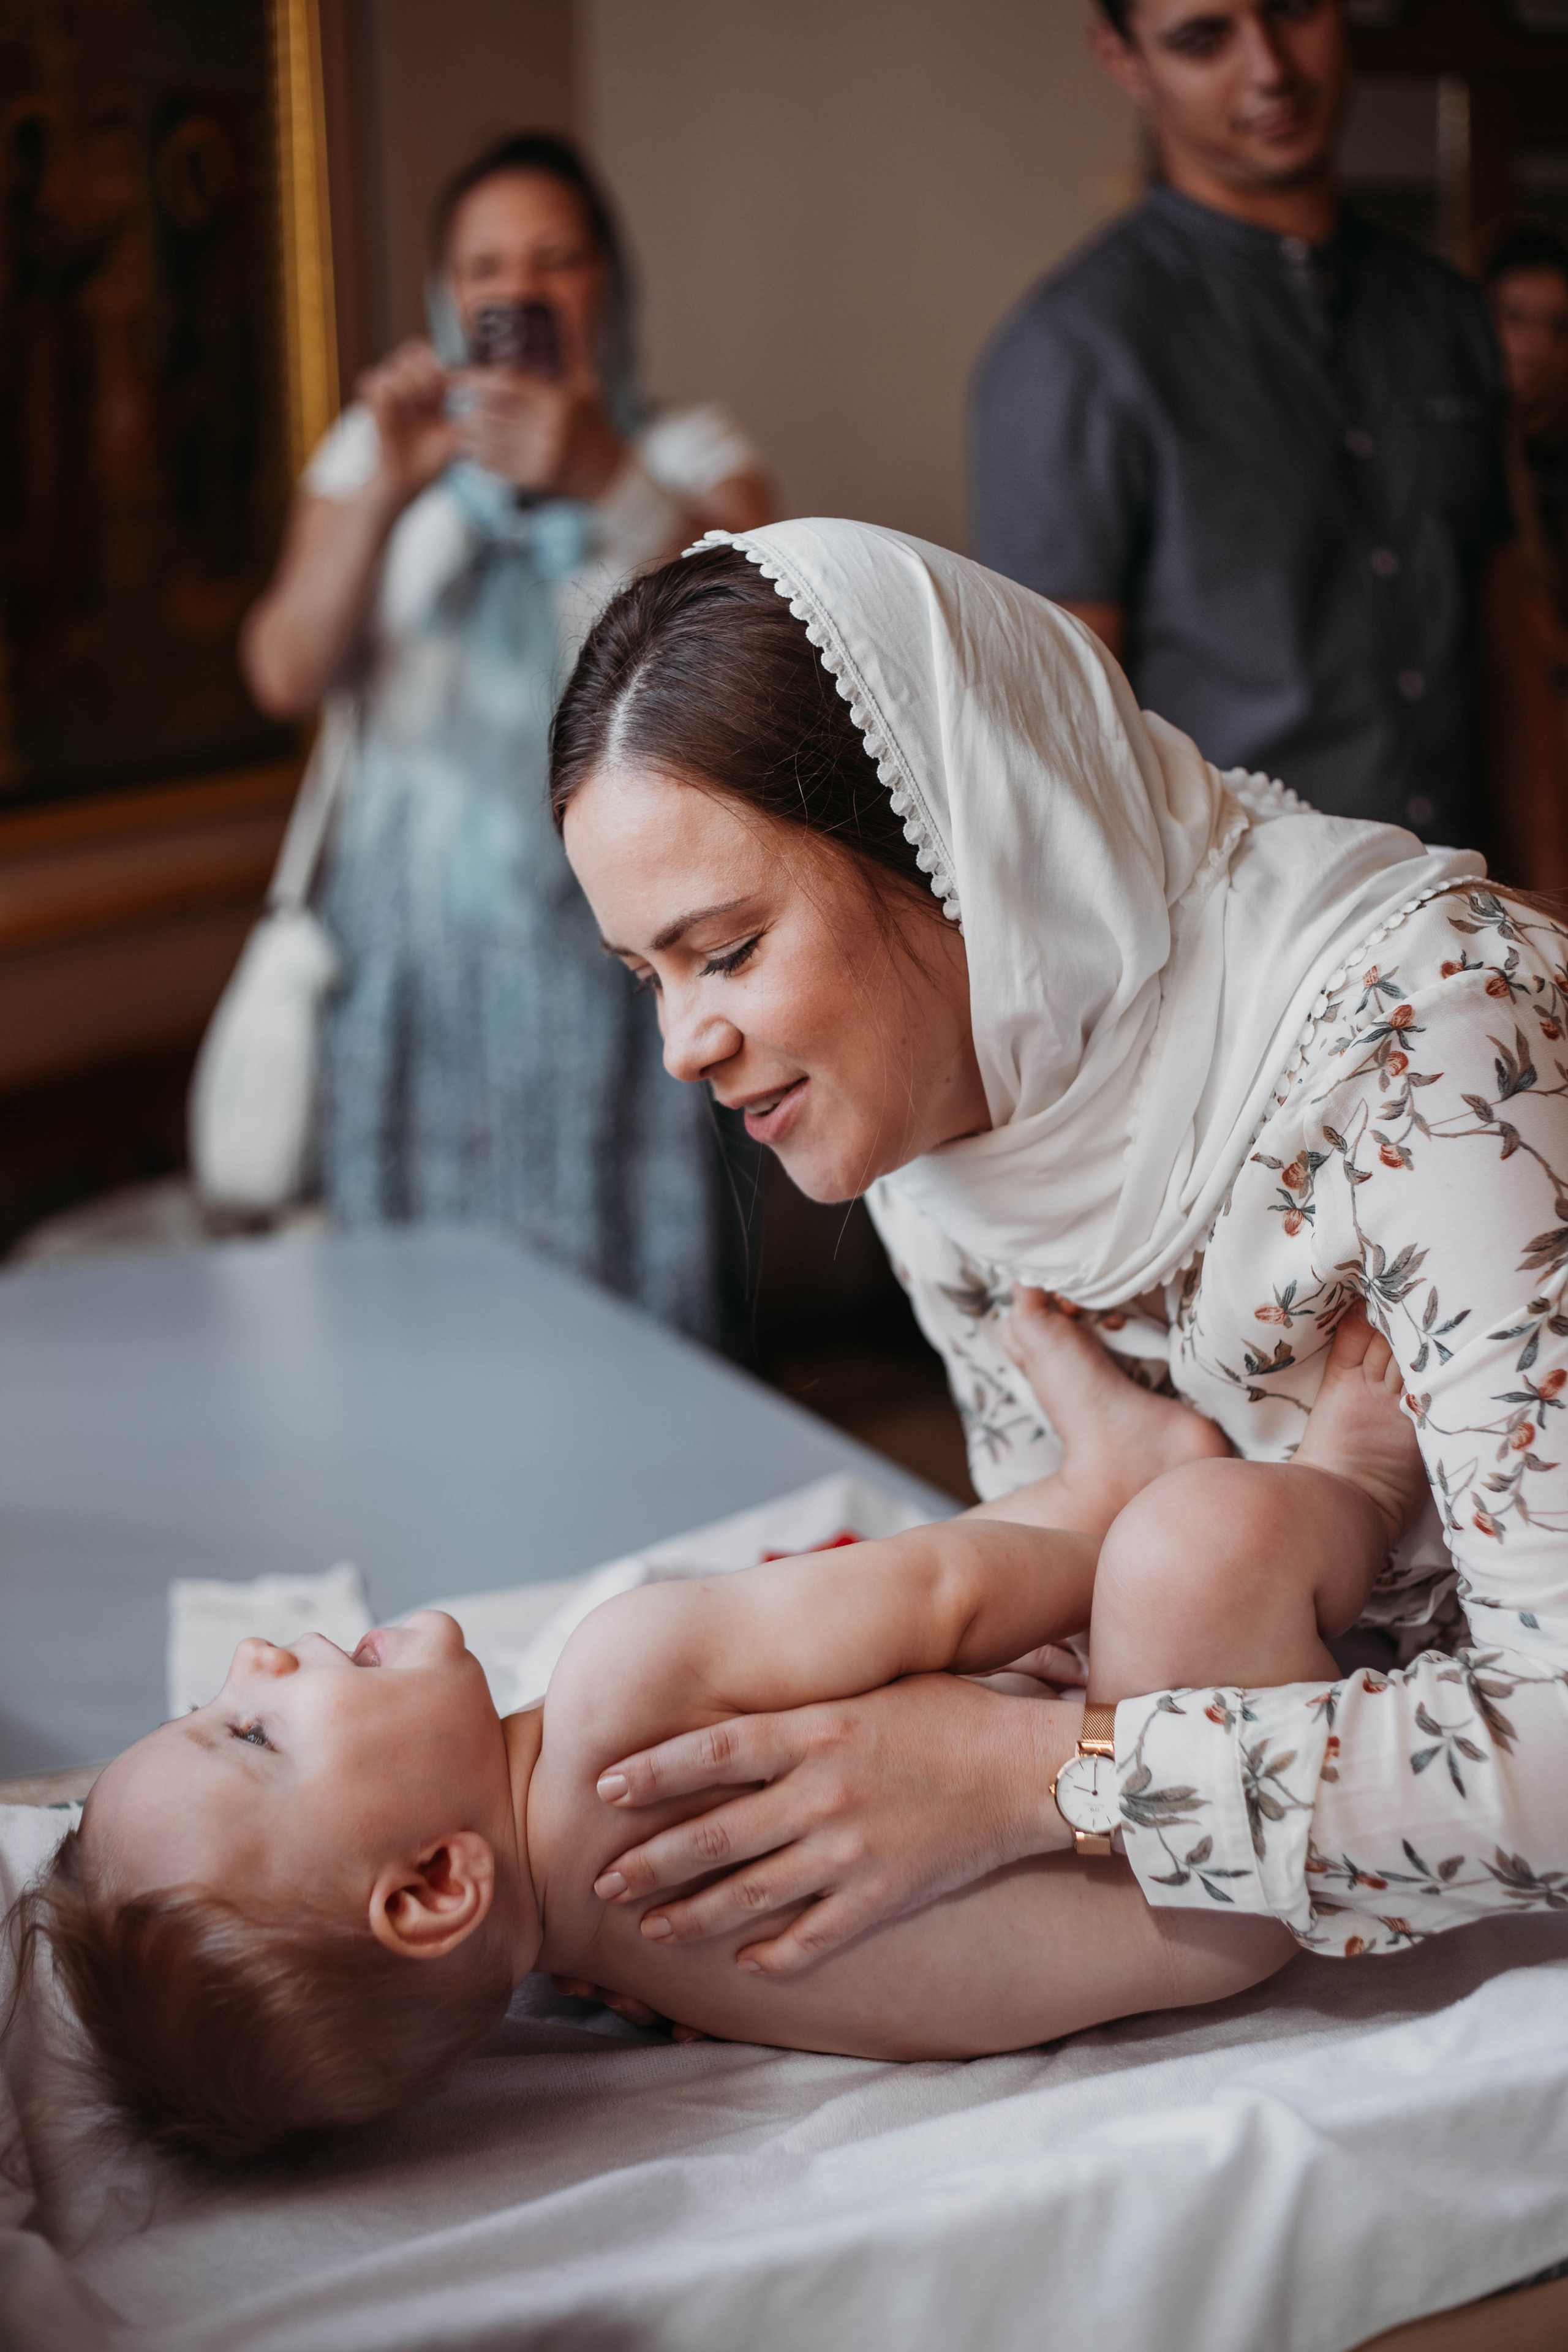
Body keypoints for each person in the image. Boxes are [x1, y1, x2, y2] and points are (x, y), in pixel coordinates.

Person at [529, 517, 1568, 1988]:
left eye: (729, 948)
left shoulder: (1433, 1047)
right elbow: (1088, 1626)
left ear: (963, 847)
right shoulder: (944, 1128)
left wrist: (1039, 1775)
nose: (680, 1046)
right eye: (646, 974)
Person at [10, 1304, 1417, 2158]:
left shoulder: (606, 1963)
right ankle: (1333, 1476)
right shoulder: (626, 1687)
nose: (250, 1665)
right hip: (1197, 1880)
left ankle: (1131, 1496)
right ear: (438, 1886)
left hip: (1148, 1900)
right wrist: (1100, 1564)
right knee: (1187, 1545)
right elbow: (941, 1590)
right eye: (252, 1734)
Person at [239, 134, 774, 1338]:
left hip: (621, 974)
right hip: (411, 970)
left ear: (608, 285)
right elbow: (284, 669)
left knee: (629, 1314)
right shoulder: (376, 452)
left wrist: (599, 473)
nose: (517, 293)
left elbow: (760, 635)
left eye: (555, 261)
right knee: (417, 1321)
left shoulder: (686, 455)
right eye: (484, 268)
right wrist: (387, 484)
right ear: (446, 297)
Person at [970, 0, 1568, 889]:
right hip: (1249, 950)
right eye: (1204, 39)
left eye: (1292, 10)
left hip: (1469, 917)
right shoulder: (1074, 351)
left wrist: (1551, 907)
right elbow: (1057, 748)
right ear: (1122, 56)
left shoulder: (1443, 311)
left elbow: (1504, 654)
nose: (1271, 69)